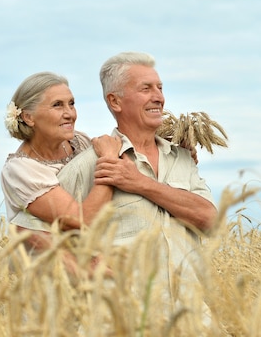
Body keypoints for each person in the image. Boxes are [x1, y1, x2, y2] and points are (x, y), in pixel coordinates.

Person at [58, 52, 218, 321]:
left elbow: (210, 221)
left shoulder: (182, 159)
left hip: (191, 320)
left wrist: (141, 184)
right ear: (115, 101)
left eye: (160, 88)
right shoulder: (88, 165)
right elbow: (47, 237)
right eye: (145, 89)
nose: (159, 97)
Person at [0, 71, 121, 272]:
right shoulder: (20, 170)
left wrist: (182, 154)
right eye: (57, 105)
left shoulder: (78, 142)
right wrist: (109, 161)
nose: (70, 113)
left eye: (71, 104)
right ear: (28, 117)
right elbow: (81, 221)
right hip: (56, 274)